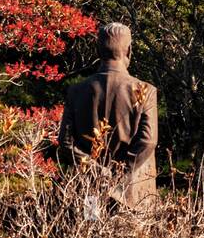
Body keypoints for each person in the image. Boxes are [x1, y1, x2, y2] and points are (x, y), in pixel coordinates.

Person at [58, 22, 158, 207]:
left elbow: (65, 142)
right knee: (132, 235)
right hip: (132, 192)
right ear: (129, 50)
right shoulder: (145, 91)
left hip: (91, 189)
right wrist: (119, 172)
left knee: (90, 229)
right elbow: (148, 141)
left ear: (98, 51)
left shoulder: (77, 91)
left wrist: (93, 168)